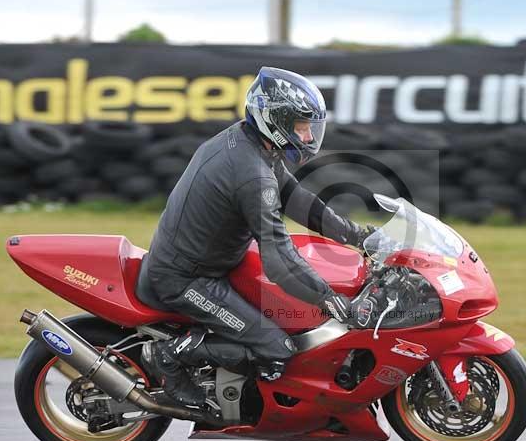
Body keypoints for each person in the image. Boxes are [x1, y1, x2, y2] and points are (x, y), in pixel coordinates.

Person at [141, 67, 376, 408]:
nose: (309, 136)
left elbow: (297, 199)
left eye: (310, 126)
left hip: (214, 261)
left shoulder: (252, 145)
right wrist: (328, 299)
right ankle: (169, 355)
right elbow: (278, 256)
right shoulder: (251, 174)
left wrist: (358, 236)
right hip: (187, 279)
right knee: (277, 348)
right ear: (274, 119)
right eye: (301, 125)